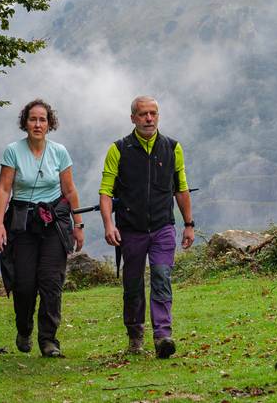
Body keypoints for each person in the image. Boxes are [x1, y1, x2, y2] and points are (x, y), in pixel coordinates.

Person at [99, 95, 194, 359]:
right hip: (130, 229)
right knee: (133, 285)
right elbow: (106, 192)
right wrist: (108, 224)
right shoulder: (118, 149)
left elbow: (181, 188)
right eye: (143, 114)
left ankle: (163, 336)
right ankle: (135, 335)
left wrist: (189, 224)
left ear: (158, 116)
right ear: (133, 118)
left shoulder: (172, 147)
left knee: (162, 277)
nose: (149, 118)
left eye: (153, 113)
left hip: (163, 227)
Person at [0, 99, 84, 357]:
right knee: (23, 284)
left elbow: (69, 190)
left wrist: (78, 224)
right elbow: (4, 189)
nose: (37, 124)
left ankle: (48, 340)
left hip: (54, 222)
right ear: (25, 122)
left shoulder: (59, 152)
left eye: (42, 119)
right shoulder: (13, 151)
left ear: (49, 123)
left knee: (51, 282)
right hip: (22, 222)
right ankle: (24, 328)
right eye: (33, 119)